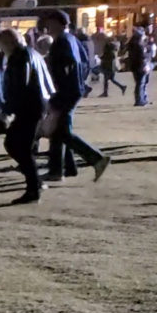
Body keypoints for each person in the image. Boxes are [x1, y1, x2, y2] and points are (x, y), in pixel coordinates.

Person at [43, 10, 111, 183]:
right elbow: (84, 62)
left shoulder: (62, 42)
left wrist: (59, 91)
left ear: (59, 23)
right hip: (72, 90)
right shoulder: (72, 40)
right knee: (59, 131)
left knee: (61, 131)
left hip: (65, 92)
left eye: (50, 22)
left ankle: (96, 158)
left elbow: (66, 67)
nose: (47, 26)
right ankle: (63, 169)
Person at [0, 27, 55, 204]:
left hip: (30, 106)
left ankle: (34, 187)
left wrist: (8, 109)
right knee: (20, 146)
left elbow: (20, 84)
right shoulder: (32, 53)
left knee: (17, 146)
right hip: (38, 104)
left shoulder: (19, 58)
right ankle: (35, 183)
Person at [127, 29, 150, 107]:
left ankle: (140, 99)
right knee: (140, 83)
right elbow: (142, 57)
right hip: (140, 66)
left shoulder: (131, 45)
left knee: (138, 83)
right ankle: (139, 100)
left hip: (134, 66)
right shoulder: (139, 45)